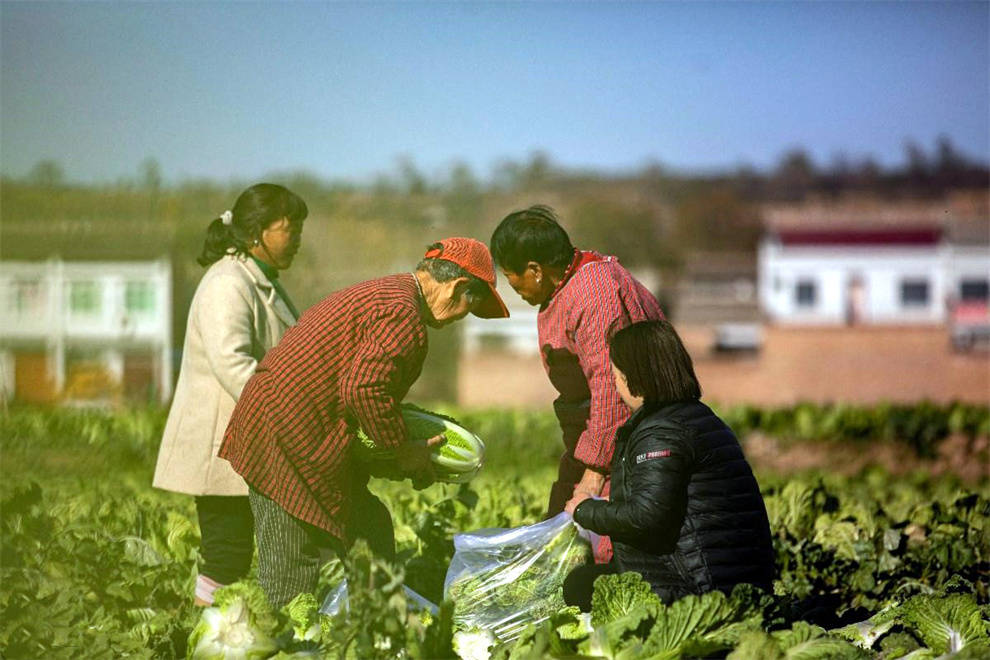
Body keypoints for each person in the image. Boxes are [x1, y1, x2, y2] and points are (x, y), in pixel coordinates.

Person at [218, 237, 510, 608]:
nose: (463, 316)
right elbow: (364, 390)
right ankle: (289, 644)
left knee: (369, 528)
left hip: (302, 431)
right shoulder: (404, 317)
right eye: (472, 305)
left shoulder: (390, 294)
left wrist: (391, 457)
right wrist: (402, 450)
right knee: (291, 569)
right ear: (456, 287)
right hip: (283, 435)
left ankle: (372, 625)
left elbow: (358, 394)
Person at [153, 183, 308, 606]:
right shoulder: (227, 283)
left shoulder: (257, 279)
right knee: (226, 556)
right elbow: (232, 363)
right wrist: (295, 411)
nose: (296, 236)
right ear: (257, 232)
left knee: (239, 554)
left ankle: (220, 634)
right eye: (288, 227)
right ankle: (204, 635)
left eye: (297, 227)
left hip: (245, 443)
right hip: (224, 444)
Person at [489, 205, 664, 562]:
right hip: (593, 440)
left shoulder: (593, 293)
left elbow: (611, 387)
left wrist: (594, 475)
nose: (513, 288)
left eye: (511, 277)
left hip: (624, 444)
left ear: (535, 271)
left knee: (606, 549)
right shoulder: (567, 288)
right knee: (559, 540)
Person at [563, 319, 774, 608]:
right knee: (586, 582)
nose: (615, 384)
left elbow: (648, 517)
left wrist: (584, 509)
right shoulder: (696, 418)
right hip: (728, 582)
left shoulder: (661, 432)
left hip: (700, 594)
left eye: (616, 375)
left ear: (632, 377)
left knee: (574, 588)